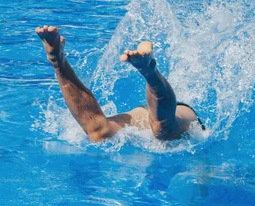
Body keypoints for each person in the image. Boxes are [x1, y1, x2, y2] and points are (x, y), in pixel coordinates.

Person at [36, 25, 204, 142]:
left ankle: (149, 70)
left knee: (164, 131)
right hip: (151, 114)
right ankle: (58, 62)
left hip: (179, 113)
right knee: (99, 133)